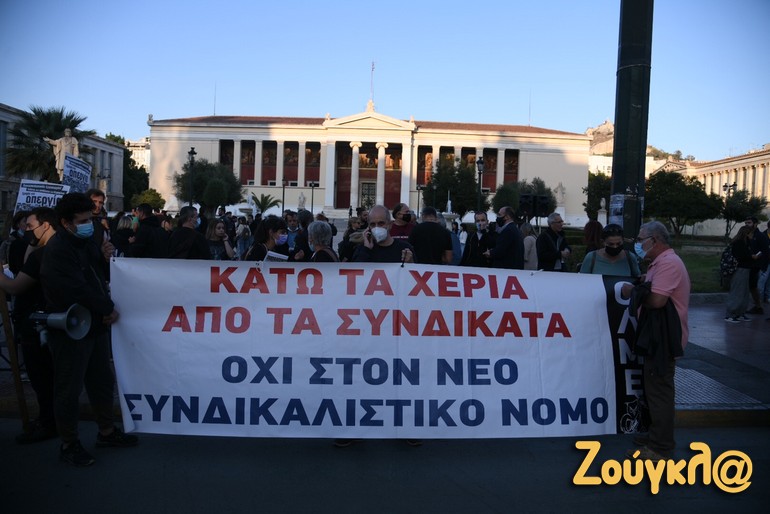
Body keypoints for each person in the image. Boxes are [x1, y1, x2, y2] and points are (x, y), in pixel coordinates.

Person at [40, 193, 138, 466]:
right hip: (71, 328)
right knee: (69, 388)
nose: (89, 225)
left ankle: (106, 432)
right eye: (83, 221)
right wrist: (107, 308)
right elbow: (77, 289)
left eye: (90, 220)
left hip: (93, 324)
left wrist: (105, 259)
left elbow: (97, 276)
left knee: (101, 381)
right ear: (65, 222)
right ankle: (69, 443)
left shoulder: (85, 242)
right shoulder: (58, 250)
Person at [622, 221, 690, 462]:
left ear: (655, 240)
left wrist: (633, 292)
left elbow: (657, 301)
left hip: (663, 339)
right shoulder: (659, 263)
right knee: (654, 389)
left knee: (659, 391)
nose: (638, 244)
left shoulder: (668, 263)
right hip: (656, 336)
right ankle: (656, 435)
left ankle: (660, 447)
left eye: (641, 239)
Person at [0, 207, 58, 444]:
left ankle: (49, 422)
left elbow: (16, 286)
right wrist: (33, 243)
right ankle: (50, 419)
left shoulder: (46, 254)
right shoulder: (47, 250)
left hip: (38, 324)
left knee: (42, 377)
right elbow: (27, 265)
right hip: (45, 321)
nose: (26, 230)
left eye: (30, 226)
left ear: (45, 226)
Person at [724, 226, 758, 323]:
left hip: (746, 269)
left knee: (744, 292)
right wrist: (751, 256)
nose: (752, 235)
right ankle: (730, 314)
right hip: (740, 269)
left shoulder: (746, 242)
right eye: (751, 233)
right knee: (737, 291)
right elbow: (741, 256)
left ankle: (740, 313)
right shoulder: (739, 243)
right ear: (746, 233)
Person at [744, 217, 769, 315]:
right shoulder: (745, 235)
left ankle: (758, 306)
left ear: (755, 224)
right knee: (752, 286)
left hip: (758, 266)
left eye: (749, 223)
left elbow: (765, 251)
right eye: (746, 223)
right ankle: (758, 306)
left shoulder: (760, 236)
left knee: (756, 287)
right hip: (748, 265)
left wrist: (759, 258)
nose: (747, 225)